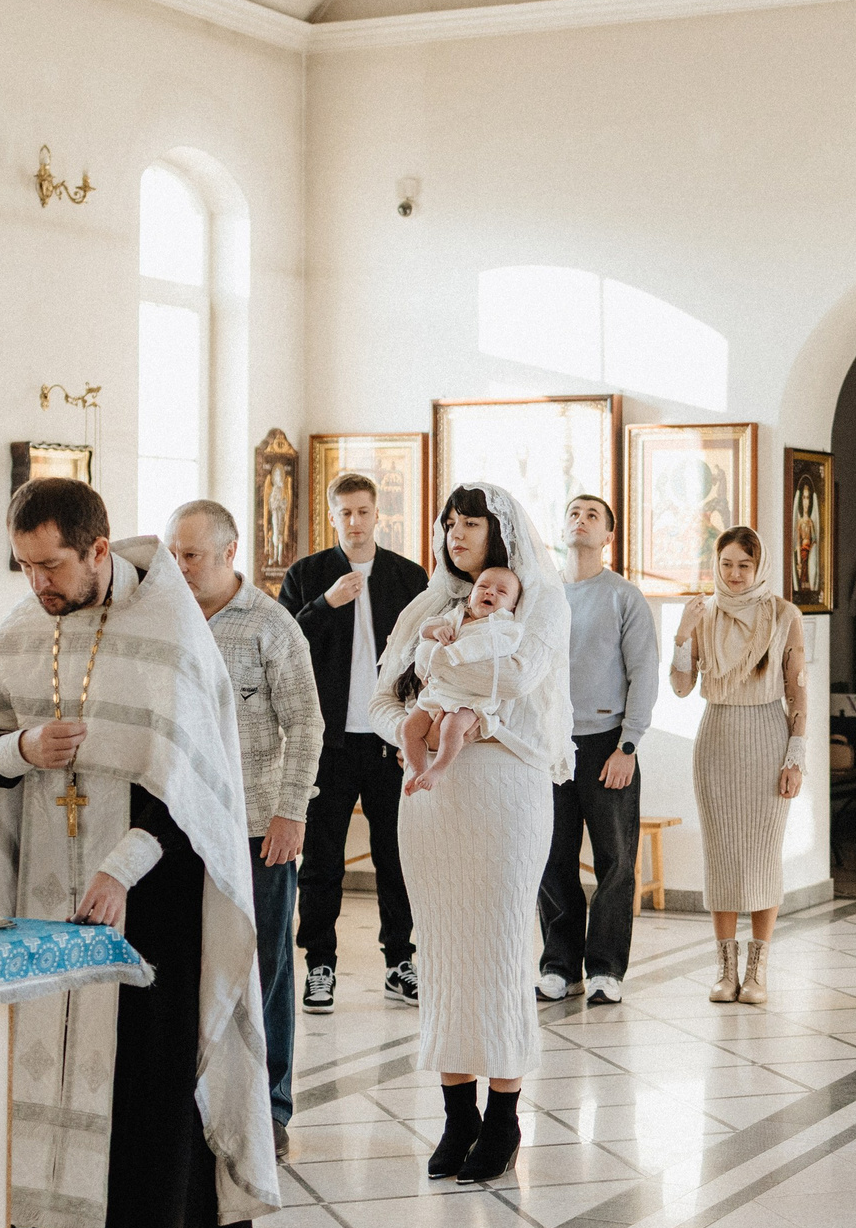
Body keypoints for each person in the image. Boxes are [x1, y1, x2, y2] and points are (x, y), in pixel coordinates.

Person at [0, 478, 279, 1228]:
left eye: (51, 565)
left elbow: (198, 791)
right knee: (40, 1078)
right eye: (24, 567)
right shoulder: (26, 630)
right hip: (44, 907)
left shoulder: (172, 635)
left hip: (151, 902)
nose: (38, 585)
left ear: (97, 550)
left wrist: (123, 868)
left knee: (145, 1094)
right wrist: (22, 748)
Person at [371, 484, 573, 1184]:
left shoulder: (541, 599)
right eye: (448, 523)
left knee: (500, 945)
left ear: (501, 530)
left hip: (507, 789)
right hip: (430, 794)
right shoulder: (427, 606)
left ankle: (506, 1110)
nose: (456, 534)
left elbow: (518, 673)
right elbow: (378, 696)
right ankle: (457, 1112)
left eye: (471, 523)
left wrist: (435, 667)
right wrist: (405, 727)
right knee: (446, 952)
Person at [165, 500, 324, 1149]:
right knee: (188, 964)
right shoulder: (164, 619)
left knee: (265, 969)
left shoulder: (271, 625)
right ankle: (196, 1101)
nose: (177, 566)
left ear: (229, 553)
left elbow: (306, 723)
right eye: (173, 552)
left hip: (259, 825)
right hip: (180, 825)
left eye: (191, 555)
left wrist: (291, 811)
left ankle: (271, 1108)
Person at [280, 474, 432, 1014]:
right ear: (333, 516)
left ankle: (400, 963)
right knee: (322, 861)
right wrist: (325, 603)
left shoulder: (409, 576)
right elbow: (285, 645)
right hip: (331, 743)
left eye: (364, 511)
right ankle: (319, 966)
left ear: (377, 514)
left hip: (391, 741)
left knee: (397, 858)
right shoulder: (308, 575)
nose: (355, 521)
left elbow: (426, 658)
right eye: (345, 513)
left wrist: (416, 731)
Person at [668, 527, 808, 1006]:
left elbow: (797, 690)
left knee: (764, 855)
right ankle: (725, 970)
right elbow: (682, 687)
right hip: (717, 739)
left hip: (768, 735)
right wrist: (683, 634)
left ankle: (758, 969)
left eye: (743, 565)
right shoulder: (704, 616)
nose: (733, 574)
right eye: (725, 564)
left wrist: (795, 757)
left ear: (759, 567)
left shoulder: (785, 614)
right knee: (722, 854)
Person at [539, 494, 658, 1007]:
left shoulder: (623, 597)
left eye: (592, 516)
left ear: (608, 535)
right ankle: (559, 967)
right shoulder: (540, 596)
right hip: (549, 743)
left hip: (608, 743)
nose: (580, 521)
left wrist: (627, 745)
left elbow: (644, 675)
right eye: (573, 513)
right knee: (552, 857)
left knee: (615, 860)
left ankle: (606, 968)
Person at [397, 565, 526, 793]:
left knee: (452, 727)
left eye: (501, 592)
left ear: (513, 606)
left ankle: (438, 768)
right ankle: (418, 769)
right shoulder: (457, 615)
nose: (490, 593)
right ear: (470, 595)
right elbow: (425, 627)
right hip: (439, 692)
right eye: (483, 587)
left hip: (471, 699)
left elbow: (499, 645)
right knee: (408, 728)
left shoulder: (505, 627)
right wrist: (435, 631)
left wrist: (458, 652)